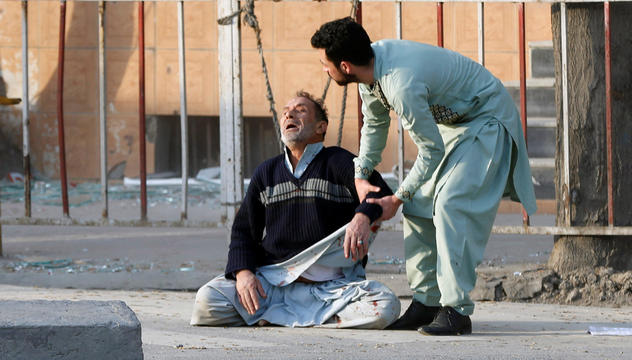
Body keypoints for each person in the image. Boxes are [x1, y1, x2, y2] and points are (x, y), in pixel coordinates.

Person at [311, 17, 537, 335]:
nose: (324, 69)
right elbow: (374, 126)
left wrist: (396, 196)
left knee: (451, 204)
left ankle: (457, 310)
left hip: (486, 119)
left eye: (325, 64)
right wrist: (360, 175)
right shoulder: (370, 74)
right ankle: (427, 301)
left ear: (345, 66)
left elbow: (430, 151)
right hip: (455, 127)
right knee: (418, 205)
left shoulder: (401, 82)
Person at [190, 91, 400, 329]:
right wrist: (243, 274)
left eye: (300, 109)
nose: (289, 113)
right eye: (286, 111)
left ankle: (275, 317)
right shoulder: (265, 172)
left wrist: (363, 216)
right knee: (207, 301)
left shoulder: (339, 161)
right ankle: (311, 319)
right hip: (272, 285)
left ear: (321, 127)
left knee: (385, 305)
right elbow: (243, 232)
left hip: (332, 290)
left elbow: (379, 193)